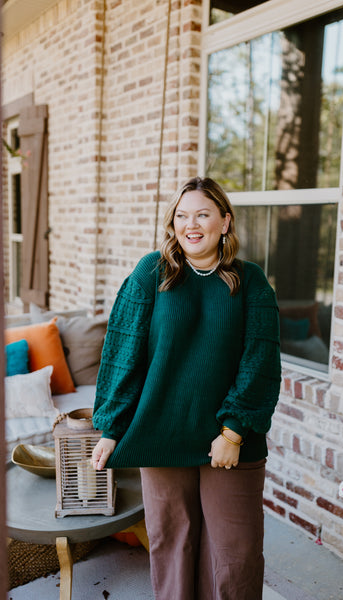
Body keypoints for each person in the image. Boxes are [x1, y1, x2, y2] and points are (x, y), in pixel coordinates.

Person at [91, 176, 281, 600]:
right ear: (172, 223)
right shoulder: (151, 274)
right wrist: (111, 426)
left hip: (230, 444)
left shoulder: (251, 281)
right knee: (172, 546)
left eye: (202, 214)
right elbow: (124, 354)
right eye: (181, 215)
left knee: (236, 556)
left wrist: (234, 430)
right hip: (162, 434)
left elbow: (260, 362)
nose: (190, 224)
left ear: (225, 222)